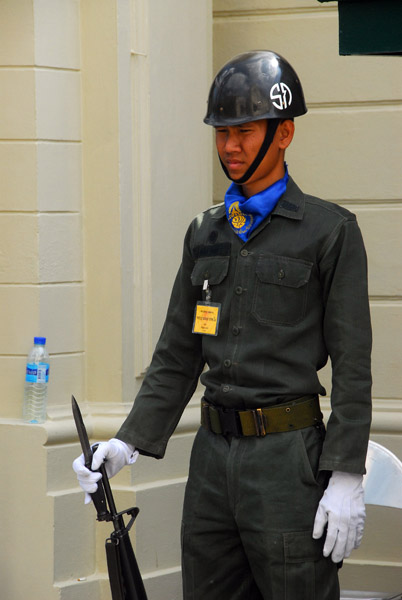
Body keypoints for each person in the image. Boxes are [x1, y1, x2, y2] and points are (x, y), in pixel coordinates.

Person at [73, 50, 372, 599]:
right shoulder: (204, 232)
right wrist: (127, 442)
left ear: (284, 134)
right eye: (221, 133)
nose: (230, 147)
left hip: (287, 462)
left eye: (246, 130)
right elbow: (177, 354)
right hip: (212, 461)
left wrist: (346, 472)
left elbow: (354, 368)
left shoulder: (329, 233)